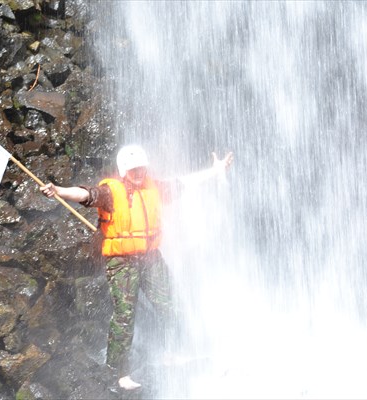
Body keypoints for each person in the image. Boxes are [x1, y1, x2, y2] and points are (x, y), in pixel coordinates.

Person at [40, 145, 233, 390]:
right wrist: (58, 191)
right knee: (124, 316)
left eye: (142, 167)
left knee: (170, 306)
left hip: (151, 257)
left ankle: (174, 352)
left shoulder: (155, 187)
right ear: (124, 170)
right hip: (122, 262)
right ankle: (116, 374)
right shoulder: (110, 192)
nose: (139, 172)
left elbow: (183, 182)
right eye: (133, 169)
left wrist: (214, 171)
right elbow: (86, 194)